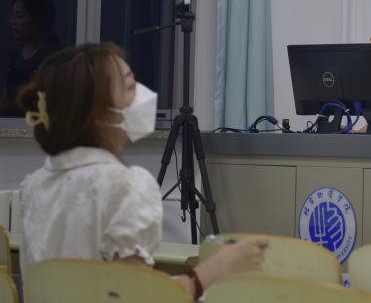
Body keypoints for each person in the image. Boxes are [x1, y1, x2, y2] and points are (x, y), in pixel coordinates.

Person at [17, 42, 267, 300]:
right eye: (129, 86)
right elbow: (136, 297)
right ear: (99, 114)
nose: (141, 94)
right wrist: (216, 268)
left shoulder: (33, 187)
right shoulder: (125, 187)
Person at [1, 0, 60, 116]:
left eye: (20, 16)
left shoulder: (53, 59)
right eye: (12, 16)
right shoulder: (15, 58)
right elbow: (6, 99)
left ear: (38, 19)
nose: (13, 22)